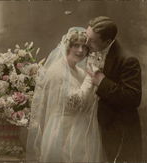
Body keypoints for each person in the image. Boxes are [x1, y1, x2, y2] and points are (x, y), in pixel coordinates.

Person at [26, 27, 104, 162]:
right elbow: (74, 103)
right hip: (63, 131)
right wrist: (90, 79)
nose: (80, 50)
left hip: (81, 131)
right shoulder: (57, 71)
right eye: (76, 45)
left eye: (84, 47)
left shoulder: (80, 71)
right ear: (68, 46)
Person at [86, 16, 142, 163]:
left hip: (118, 131)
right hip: (93, 127)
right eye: (87, 37)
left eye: (92, 40)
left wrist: (102, 82)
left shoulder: (127, 60)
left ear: (108, 41)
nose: (86, 43)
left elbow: (133, 98)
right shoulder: (88, 50)